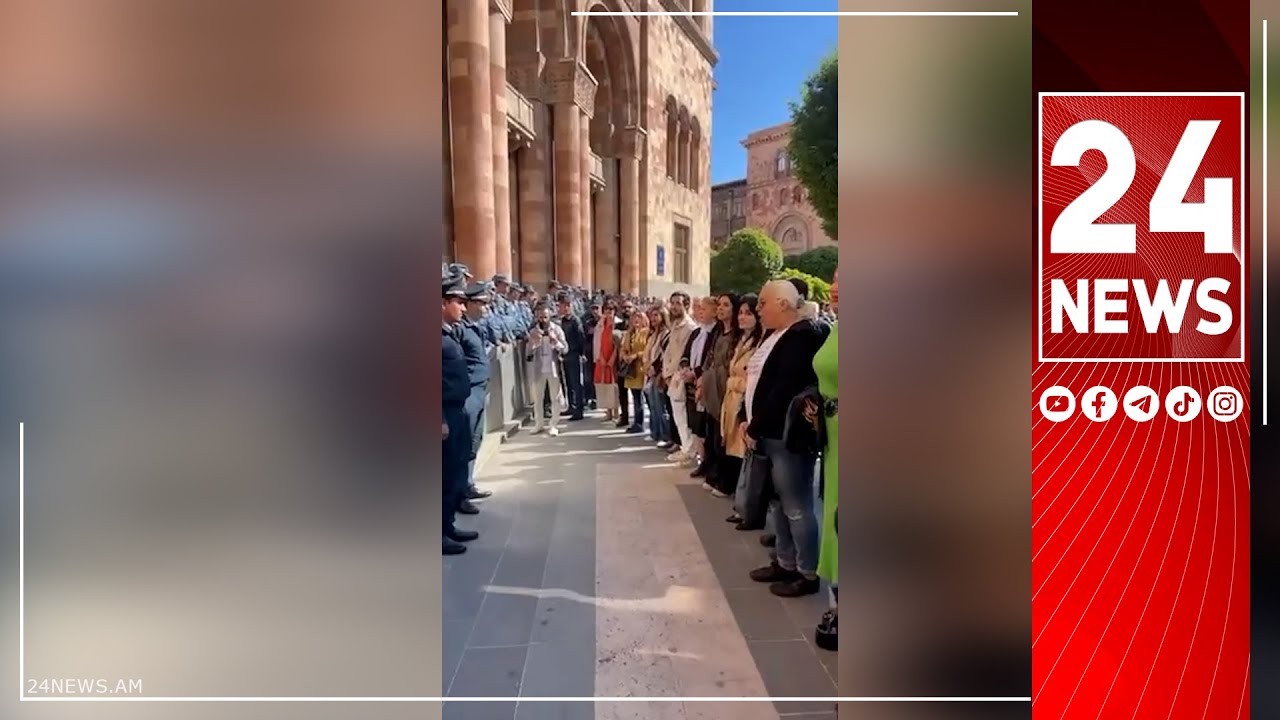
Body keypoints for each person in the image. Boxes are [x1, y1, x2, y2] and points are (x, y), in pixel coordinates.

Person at [741, 280, 829, 598]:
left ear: (783, 304)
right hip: (770, 432)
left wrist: (754, 427)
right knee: (778, 504)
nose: (758, 308)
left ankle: (807, 572)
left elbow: (782, 390)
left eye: (763, 302)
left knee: (796, 506)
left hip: (786, 435)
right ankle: (785, 561)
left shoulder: (802, 336)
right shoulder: (776, 334)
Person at [806, 267, 839, 649]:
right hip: (832, 434)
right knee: (834, 513)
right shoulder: (837, 327)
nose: (836, 287)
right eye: (835, 279)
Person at [442, 272, 479, 554]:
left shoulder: (449, 332)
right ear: (443, 302)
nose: (464, 308)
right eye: (459, 302)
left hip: (457, 410)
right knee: (442, 476)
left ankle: (447, 525)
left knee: (455, 471)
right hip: (444, 414)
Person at [456, 282, 496, 515]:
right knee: (463, 444)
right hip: (469, 392)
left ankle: (468, 484)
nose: (485, 308)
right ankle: (459, 494)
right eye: (481, 303)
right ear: (469, 303)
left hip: (481, 389)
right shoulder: (460, 329)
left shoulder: (476, 328)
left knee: (474, 441)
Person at [723, 294, 763, 523]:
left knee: (745, 456)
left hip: (744, 403)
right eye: (741, 312)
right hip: (732, 401)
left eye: (748, 313)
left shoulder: (758, 344)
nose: (742, 317)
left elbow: (750, 380)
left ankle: (747, 508)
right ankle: (741, 504)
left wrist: (732, 382)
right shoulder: (741, 341)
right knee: (737, 454)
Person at [695, 293, 739, 493]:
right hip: (712, 388)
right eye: (719, 304)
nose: (721, 308)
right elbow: (709, 359)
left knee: (722, 438)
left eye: (725, 305)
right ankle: (714, 474)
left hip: (724, 389)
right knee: (712, 435)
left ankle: (726, 480)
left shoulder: (735, 336)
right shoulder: (718, 333)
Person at [661, 292, 697, 463]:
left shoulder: (689, 327)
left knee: (683, 415)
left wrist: (670, 373)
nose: (674, 307)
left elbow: (682, 354)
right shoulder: (675, 325)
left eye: (678, 303)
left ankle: (689, 450)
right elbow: (668, 352)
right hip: (671, 375)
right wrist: (665, 372)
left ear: (686, 305)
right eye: (672, 303)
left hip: (679, 375)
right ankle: (685, 447)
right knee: (677, 415)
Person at [526, 303, 568, 437]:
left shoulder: (557, 329)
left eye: (545, 317)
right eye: (540, 317)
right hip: (538, 369)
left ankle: (553, 425)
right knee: (538, 398)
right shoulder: (533, 332)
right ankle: (538, 424)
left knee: (555, 397)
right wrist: (534, 344)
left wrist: (555, 341)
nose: (543, 320)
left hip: (553, 368)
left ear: (549, 316)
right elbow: (528, 354)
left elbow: (565, 349)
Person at [619, 309, 651, 434]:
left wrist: (636, 355)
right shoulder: (629, 333)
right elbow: (623, 348)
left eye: (639, 317)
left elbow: (648, 350)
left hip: (642, 368)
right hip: (631, 370)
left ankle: (646, 422)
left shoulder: (647, 332)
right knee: (636, 397)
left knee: (644, 398)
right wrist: (624, 356)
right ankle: (637, 423)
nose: (636, 320)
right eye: (634, 317)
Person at [645, 306, 673, 446]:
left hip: (659, 373)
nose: (653, 318)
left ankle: (664, 435)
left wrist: (655, 369)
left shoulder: (666, 334)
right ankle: (655, 431)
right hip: (650, 372)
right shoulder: (653, 334)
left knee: (660, 406)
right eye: (652, 315)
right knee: (653, 405)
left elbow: (663, 355)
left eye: (657, 315)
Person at [557, 295, 587, 421]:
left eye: (562, 306)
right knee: (568, 382)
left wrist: (582, 353)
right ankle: (571, 406)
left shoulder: (575, 321)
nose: (560, 308)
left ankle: (579, 410)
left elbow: (581, 337)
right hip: (565, 354)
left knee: (576, 383)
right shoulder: (563, 321)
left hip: (574, 354)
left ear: (568, 306)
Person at [592, 302, 621, 421]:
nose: (609, 312)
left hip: (614, 358)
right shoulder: (600, 324)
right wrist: (600, 357)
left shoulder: (618, 324)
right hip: (602, 358)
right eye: (606, 309)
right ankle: (608, 412)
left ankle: (616, 412)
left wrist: (613, 357)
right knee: (605, 385)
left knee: (614, 386)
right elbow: (597, 341)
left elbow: (619, 343)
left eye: (611, 309)